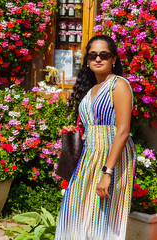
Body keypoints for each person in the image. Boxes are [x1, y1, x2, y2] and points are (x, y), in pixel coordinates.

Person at [55, 35, 137, 239]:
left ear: (113, 59)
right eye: (93, 55)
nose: (98, 59)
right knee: (76, 211)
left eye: (104, 55)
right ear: (87, 59)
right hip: (89, 156)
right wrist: (77, 132)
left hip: (112, 158)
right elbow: (92, 125)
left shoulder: (118, 85)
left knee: (102, 218)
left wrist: (107, 173)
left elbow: (123, 131)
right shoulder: (91, 90)